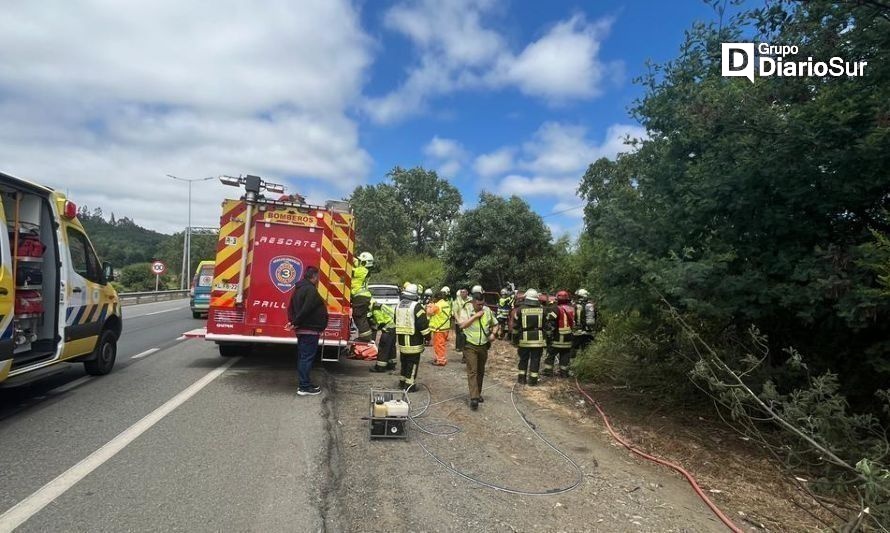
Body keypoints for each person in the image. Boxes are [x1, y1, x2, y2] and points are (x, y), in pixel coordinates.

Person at [286, 266, 328, 396]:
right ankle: (304, 387)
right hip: (309, 329)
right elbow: (307, 308)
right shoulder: (310, 290)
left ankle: (305, 384)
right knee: (306, 358)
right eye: (317, 277)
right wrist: (295, 322)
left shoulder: (298, 290)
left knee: (304, 357)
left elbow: (290, 308)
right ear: (314, 276)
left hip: (303, 329)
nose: (318, 279)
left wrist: (293, 321)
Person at [459, 293, 498, 410]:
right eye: (478, 304)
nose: (481, 306)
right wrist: (476, 316)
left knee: (480, 370)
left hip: (483, 345)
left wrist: (493, 333)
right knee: (473, 371)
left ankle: (478, 393)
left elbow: (495, 324)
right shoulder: (466, 310)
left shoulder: (488, 311)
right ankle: (474, 397)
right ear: (473, 302)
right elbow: (462, 325)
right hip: (470, 345)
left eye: (482, 304)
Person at [395, 283, 431, 392]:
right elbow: (422, 324)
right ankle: (409, 385)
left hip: (401, 341)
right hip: (414, 341)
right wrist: (428, 336)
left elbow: (394, 320)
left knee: (404, 361)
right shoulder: (417, 306)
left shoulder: (398, 305)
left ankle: (402, 382)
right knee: (413, 362)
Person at [511, 289, 546, 386]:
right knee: (535, 360)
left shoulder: (520, 310)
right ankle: (533, 381)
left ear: (526, 297)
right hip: (538, 340)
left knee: (523, 359)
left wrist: (514, 340)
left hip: (524, 340)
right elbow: (546, 325)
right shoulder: (542, 309)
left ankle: (521, 379)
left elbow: (515, 327)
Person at [543, 290, 575, 377]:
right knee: (565, 355)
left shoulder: (556, 309)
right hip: (569, 336)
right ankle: (563, 373)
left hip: (557, 336)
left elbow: (549, 319)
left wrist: (548, 334)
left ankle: (548, 371)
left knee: (551, 354)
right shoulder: (572, 308)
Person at [351, 252, 374, 342]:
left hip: (360, 297)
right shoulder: (364, 269)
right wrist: (351, 257)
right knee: (361, 317)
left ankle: (365, 337)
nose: (359, 261)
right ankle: (365, 336)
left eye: (361, 261)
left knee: (358, 317)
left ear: (364, 263)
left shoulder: (362, 270)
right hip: (363, 297)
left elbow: (349, 270)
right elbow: (356, 261)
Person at [369, 300, 397, 373]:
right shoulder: (379, 305)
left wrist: (375, 328)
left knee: (383, 347)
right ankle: (391, 364)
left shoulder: (375, 309)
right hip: (394, 327)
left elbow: (381, 322)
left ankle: (380, 367)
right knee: (391, 347)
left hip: (388, 329)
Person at [426, 289, 451, 366]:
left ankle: (440, 360)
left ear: (437, 298)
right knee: (442, 344)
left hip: (439, 328)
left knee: (438, 345)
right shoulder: (446, 304)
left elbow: (429, 312)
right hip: (445, 328)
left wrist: (429, 305)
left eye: (434, 298)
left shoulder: (437, 306)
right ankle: (439, 358)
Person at [573, 289, 596, 355]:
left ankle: (572, 363)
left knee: (573, 349)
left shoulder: (575, 306)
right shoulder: (591, 305)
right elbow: (596, 316)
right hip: (589, 332)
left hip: (577, 332)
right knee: (586, 350)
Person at [452, 288, 472, 354]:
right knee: (461, 336)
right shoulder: (457, 301)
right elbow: (455, 312)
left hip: (469, 322)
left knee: (467, 338)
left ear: (467, 293)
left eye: (464, 292)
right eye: (461, 292)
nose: (462, 293)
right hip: (460, 322)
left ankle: (465, 352)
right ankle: (460, 349)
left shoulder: (471, 300)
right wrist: (459, 321)